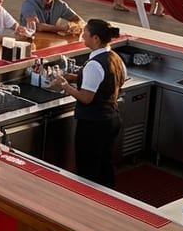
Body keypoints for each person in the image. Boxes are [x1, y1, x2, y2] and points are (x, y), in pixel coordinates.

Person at [50, 19, 126, 188]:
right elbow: (112, 81)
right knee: (105, 163)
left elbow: (86, 97)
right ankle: (109, 196)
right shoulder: (115, 58)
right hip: (112, 118)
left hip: (94, 124)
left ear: (96, 39)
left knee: (88, 168)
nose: (82, 35)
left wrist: (64, 84)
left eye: (85, 33)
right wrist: (73, 77)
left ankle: (87, 201)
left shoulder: (94, 64)